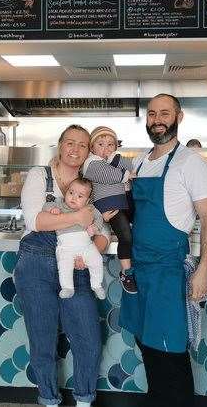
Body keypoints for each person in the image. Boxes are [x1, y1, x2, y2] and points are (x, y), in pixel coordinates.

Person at [119, 94, 207, 407]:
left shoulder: (190, 162)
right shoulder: (139, 161)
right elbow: (134, 214)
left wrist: (203, 270)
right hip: (138, 270)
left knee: (170, 352)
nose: (157, 119)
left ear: (179, 117)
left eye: (164, 113)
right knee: (146, 345)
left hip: (167, 272)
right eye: (151, 114)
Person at [14, 125, 110, 407]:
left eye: (82, 145)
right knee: (42, 341)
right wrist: (78, 218)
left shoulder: (91, 184)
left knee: (88, 340)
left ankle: (83, 400)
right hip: (36, 263)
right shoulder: (39, 176)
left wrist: (92, 250)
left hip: (76, 267)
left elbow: (103, 231)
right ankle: (48, 398)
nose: (75, 149)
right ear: (60, 144)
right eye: (70, 142)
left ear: (87, 151)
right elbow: (35, 222)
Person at [82, 126, 137, 294]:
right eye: (100, 144)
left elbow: (133, 165)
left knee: (138, 231)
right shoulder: (91, 163)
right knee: (125, 236)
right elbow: (108, 175)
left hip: (124, 201)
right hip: (109, 205)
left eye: (110, 145)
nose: (105, 149)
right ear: (92, 147)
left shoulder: (111, 160)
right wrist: (127, 174)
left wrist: (117, 159)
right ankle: (126, 273)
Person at [43, 177, 107, 300]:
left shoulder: (90, 209)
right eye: (71, 193)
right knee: (64, 264)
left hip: (86, 246)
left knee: (97, 260)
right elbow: (46, 205)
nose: (73, 198)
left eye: (80, 196)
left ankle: (96, 285)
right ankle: (67, 288)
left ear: (87, 200)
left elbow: (99, 218)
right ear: (66, 192)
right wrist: (52, 209)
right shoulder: (60, 204)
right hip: (66, 247)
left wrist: (94, 228)